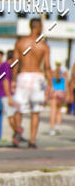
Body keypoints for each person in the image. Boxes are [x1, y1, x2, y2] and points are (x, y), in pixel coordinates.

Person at [12, 17, 52, 148]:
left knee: (19, 109)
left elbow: (15, 63)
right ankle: (32, 140)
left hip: (23, 76)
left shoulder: (20, 42)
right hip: (37, 77)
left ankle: (18, 129)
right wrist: (50, 85)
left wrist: (13, 80)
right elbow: (47, 67)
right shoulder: (43, 46)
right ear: (39, 27)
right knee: (36, 111)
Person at [49, 62, 67, 135]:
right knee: (59, 111)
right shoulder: (64, 73)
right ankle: (58, 127)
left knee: (53, 112)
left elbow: (50, 84)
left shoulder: (52, 72)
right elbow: (66, 84)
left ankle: (52, 128)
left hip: (54, 93)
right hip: (61, 93)